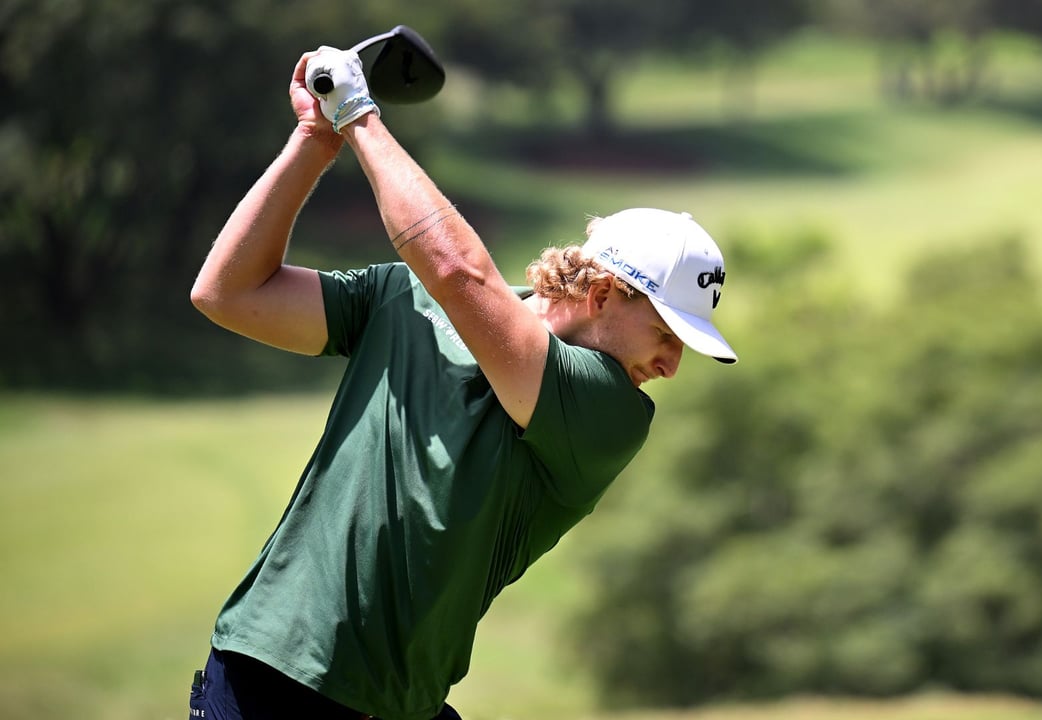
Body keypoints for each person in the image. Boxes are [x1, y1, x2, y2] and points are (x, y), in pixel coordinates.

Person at [186, 44, 737, 720]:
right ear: (603, 294)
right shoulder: (401, 300)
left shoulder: (611, 414)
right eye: (665, 335)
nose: (671, 367)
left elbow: (457, 274)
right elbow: (228, 293)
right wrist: (314, 139)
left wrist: (358, 112)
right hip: (262, 678)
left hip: (389, 705)